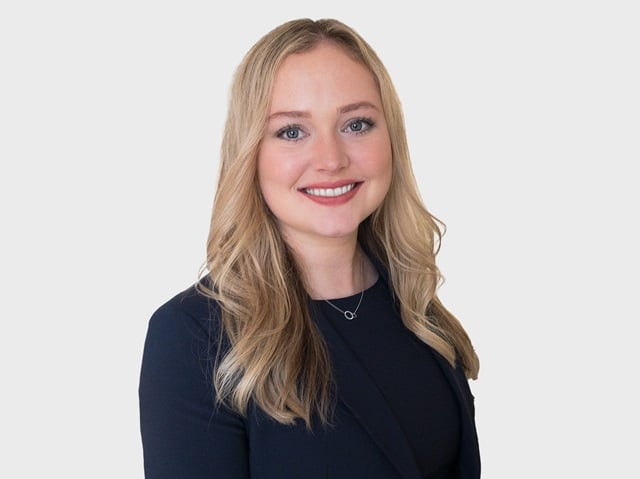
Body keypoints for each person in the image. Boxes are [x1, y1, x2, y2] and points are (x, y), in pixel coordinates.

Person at [139, 17, 480, 479]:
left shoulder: (420, 311)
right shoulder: (194, 338)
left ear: (391, 138)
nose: (331, 159)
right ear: (250, 153)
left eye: (356, 124)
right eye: (292, 132)